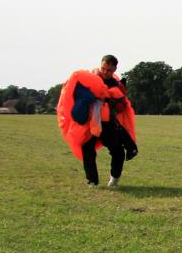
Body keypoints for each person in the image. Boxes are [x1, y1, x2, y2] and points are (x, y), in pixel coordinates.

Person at [56, 54, 137, 187]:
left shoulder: (116, 85)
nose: (105, 72)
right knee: (87, 150)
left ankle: (114, 177)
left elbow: (122, 107)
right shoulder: (90, 79)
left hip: (108, 123)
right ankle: (92, 180)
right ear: (101, 65)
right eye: (103, 68)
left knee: (117, 151)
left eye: (109, 70)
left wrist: (113, 99)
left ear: (114, 70)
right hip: (89, 123)